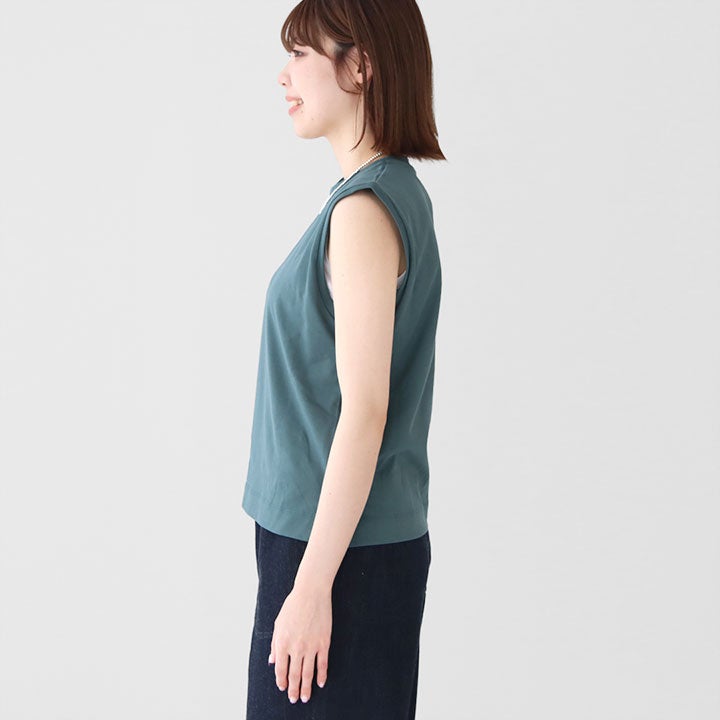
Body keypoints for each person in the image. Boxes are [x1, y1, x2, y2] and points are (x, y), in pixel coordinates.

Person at [242, 1, 446, 717]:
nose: (284, 74)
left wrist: (309, 585)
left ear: (360, 65)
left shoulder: (363, 211)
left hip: (335, 556)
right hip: (342, 548)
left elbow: (365, 410)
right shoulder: (389, 196)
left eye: (301, 53)